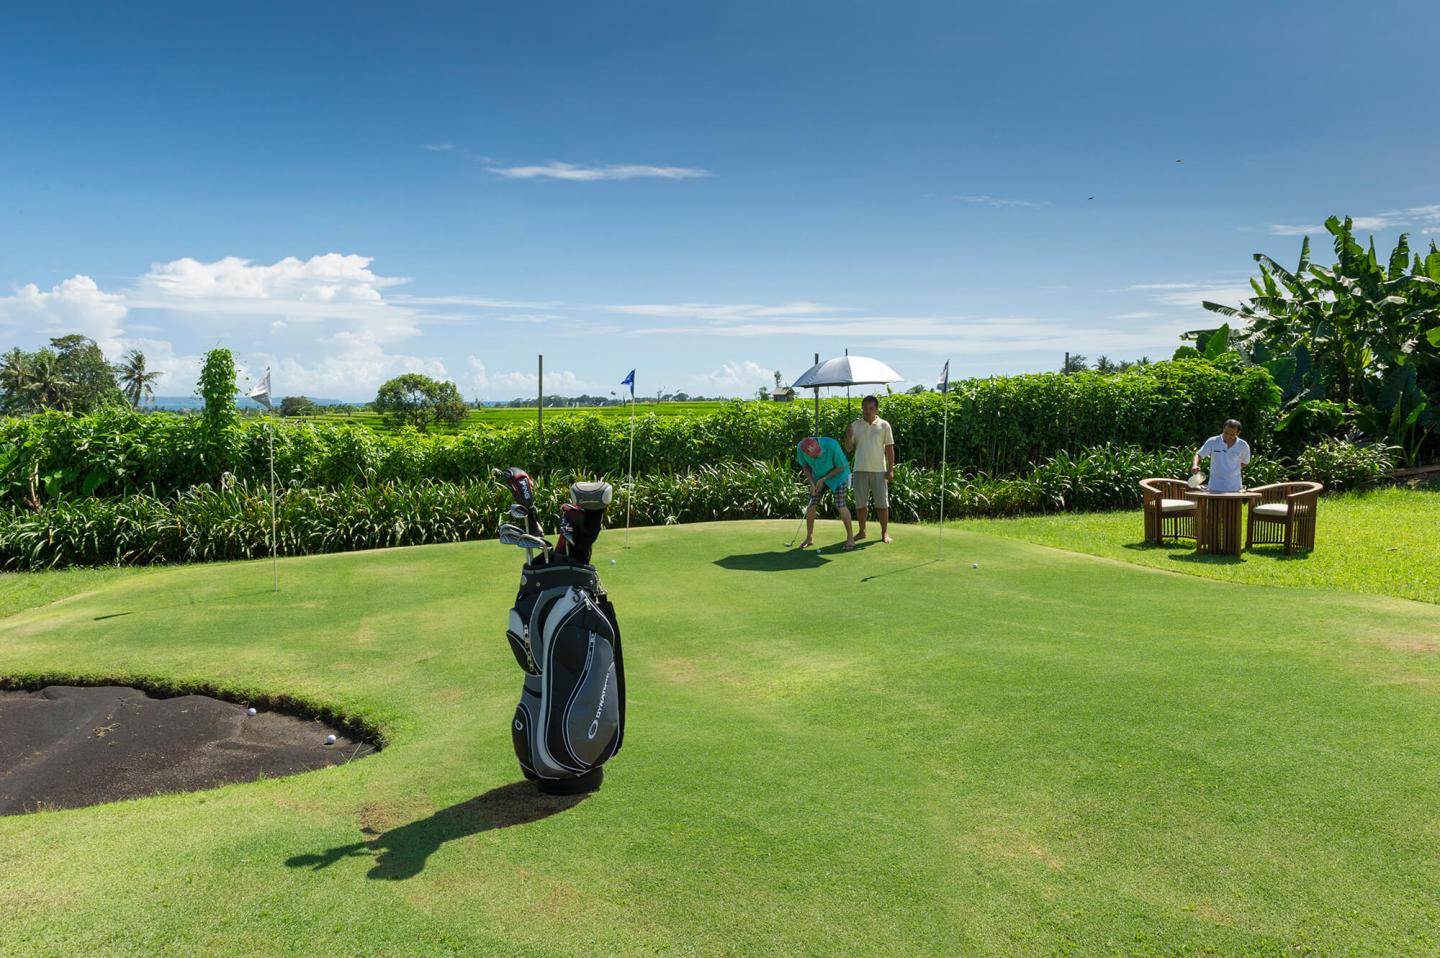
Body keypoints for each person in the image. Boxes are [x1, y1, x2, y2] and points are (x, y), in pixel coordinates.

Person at [843, 395, 896, 543]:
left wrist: (890, 469)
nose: (867, 411)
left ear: (876, 409)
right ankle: (862, 532)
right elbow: (848, 449)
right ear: (862, 409)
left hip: (879, 470)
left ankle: (884, 533)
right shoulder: (854, 425)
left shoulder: (884, 425)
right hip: (859, 469)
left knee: (882, 504)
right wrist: (849, 437)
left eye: (871, 408)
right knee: (861, 504)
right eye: (865, 408)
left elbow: (889, 448)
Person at [795, 435, 855, 551]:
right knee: (811, 504)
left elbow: (841, 467)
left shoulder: (832, 445)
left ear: (818, 445)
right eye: (814, 456)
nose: (817, 457)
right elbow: (805, 466)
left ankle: (850, 538)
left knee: (840, 504)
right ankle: (809, 538)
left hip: (839, 476)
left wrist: (824, 479)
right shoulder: (801, 447)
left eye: (818, 454)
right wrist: (812, 482)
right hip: (818, 476)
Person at [1192, 419, 1250, 492]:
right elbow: (1198, 455)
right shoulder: (1212, 441)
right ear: (1223, 429)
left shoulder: (1243, 445)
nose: (1228, 436)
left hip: (1235, 488)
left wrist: (1231, 470)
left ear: (1238, 433)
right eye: (1226, 433)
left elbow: (1245, 463)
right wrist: (1194, 465)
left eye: (1232, 435)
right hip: (1214, 487)